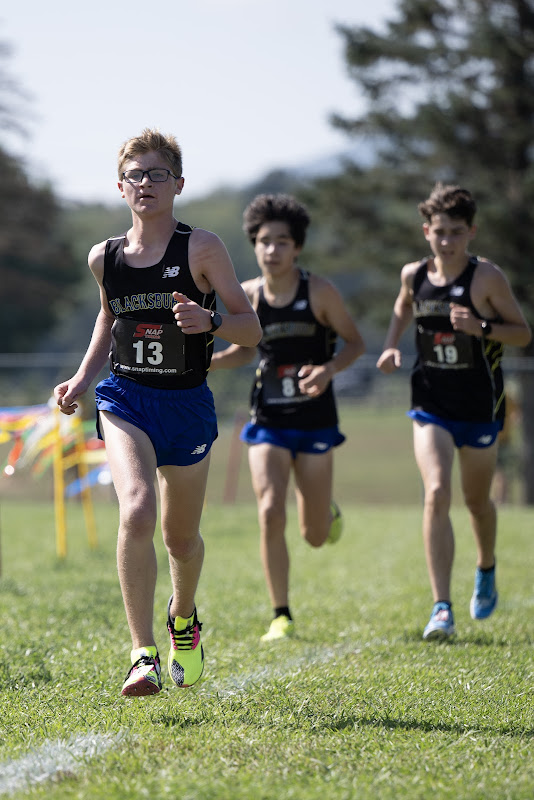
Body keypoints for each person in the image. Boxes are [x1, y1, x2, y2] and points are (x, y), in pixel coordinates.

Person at [54, 129, 262, 695]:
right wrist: (82, 378)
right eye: (135, 175)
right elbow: (108, 321)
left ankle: (184, 619)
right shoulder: (105, 257)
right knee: (137, 510)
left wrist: (211, 321)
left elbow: (252, 328)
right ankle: (141, 653)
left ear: (178, 184)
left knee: (180, 539)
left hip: (188, 402)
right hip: (126, 398)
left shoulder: (203, 248)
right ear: (120, 187)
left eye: (157, 174)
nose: (146, 183)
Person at [376, 183, 531, 641]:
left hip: (481, 405)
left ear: (471, 232)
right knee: (437, 490)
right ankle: (441, 607)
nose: (447, 241)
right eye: (439, 231)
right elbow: (402, 309)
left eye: (457, 232)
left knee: (478, 502)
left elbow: (522, 333)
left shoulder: (487, 279)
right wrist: (389, 347)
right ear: (426, 231)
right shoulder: (413, 274)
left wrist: (481, 326)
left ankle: (485, 568)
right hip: (430, 402)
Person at [210, 194, 365, 640]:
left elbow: (354, 344)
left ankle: (322, 511)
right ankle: (281, 614)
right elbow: (243, 351)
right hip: (268, 421)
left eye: (282, 242)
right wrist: (208, 363)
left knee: (315, 535)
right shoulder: (249, 295)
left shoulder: (319, 292)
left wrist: (329, 369)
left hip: (316, 421)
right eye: (263, 242)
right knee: (269, 509)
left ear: (297, 247)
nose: (272, 250)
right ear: (253, 246)